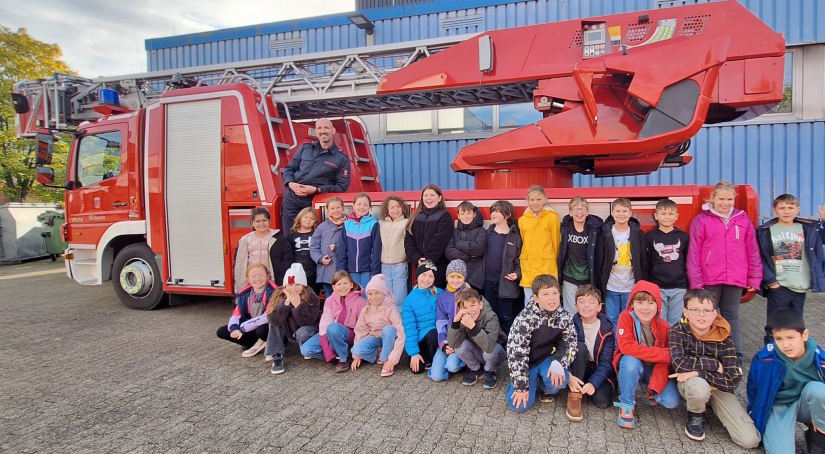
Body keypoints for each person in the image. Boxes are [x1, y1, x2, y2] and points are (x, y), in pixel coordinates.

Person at [668, 289, 760, 447]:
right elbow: (680, 365)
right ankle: (695, 418)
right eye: (695, 310)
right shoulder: (677, 331)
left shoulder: (724, 335)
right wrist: (715, 364)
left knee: (750, 441)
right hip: (692, 385)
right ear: (685, 312)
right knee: (698, 387)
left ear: (714, 313)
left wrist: (698, 372)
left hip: (718, 387)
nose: (701, 315)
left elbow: (733, 379)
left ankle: (709, 402)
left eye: (706, 311)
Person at [688, 181, 761, 357]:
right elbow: (694, 252)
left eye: (729, 199)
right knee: (707, 315)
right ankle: (708, 353)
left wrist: (754, 278)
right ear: (713, 198)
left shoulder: (742, 220)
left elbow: (752, 250)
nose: (725, 203)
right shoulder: (702, 220)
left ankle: (735, 354)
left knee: (731, 315)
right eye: (721, 198)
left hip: (735, 277)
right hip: (709, 277)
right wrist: (696, 282)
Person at [747, 309, 825, 454]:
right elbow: (754, 392)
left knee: (820, 391)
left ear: (804, 335)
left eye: (791, 337)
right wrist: (755, 417)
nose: (785, 345)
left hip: (807, 403)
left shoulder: (820, 358)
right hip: (779, 406)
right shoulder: (764, 359)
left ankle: (819, 436)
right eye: (779, 339)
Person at [757, 195, 825, 344]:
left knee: (796, 324)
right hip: (779, 286)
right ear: (774, 210)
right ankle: (772, 354)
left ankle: (793, 353)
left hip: (800, 286)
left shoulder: (808, 228)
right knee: (775, 323)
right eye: (782, 208)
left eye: (790, 207)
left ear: (798, 209)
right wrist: (770, 280)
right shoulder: (765, 230)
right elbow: (760, 257)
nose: (786, 211)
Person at [612, 280, 679, 429]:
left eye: (650, 303)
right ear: (632, 304)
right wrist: (662, 353)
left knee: (671, 401)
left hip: (653, 370)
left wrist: (656, 384)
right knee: (630, 362)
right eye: (640, 302)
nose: (645, 308)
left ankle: (647, 389)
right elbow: (627, 348)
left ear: (658, 305)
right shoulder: (625, 317)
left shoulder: (665, 327)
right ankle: (626, 404)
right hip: (633, 364)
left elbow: (667, 361)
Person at [506, 275, 577, 413]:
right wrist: (521, 387)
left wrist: (559, 363)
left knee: (560, 380)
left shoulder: (565, 317)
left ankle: (545, 386)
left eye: (555, 293)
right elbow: (516, 354)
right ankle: (526, 382)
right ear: (536, 298)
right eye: (545, 294)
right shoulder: (525, 319)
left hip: (548, 360)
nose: (552, 298)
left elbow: (570, 344)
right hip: (528, 365)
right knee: (519, 406)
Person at [280, 118, 351, 230]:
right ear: (316, 131)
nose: (323, 131)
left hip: (314, 201)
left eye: (326, 128)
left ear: (333, 130)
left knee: (313, 237)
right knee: (290, 236)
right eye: (319, 128)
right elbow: (289, 169)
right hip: (291, 199)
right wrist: (290, 184)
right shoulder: (305, 148)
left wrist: (317, 190)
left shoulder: (341, 158)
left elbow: (342, 187)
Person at [299, 271, 367, 372]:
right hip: (332, 332)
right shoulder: (330, 300)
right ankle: (338, 357)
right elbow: (324, 325)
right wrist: (328, 353)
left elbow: (363, 328)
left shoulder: (360, 302)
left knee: (333, 328)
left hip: (351, 334)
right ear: (333, 287)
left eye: (345, 283)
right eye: (339, 284)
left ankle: (343, 360)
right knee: (306, 350)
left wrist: (359, 349)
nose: (342, 287)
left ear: (351, 284)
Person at [566, 284, 615, 422]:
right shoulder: (570, 324)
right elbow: (564, 352)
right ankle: (574, 393)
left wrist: (593, 383)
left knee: (602, 401)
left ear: (599, 307)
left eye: (591, 302)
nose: (586, 306)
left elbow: (606, 363)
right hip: (577, 366)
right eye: (582, 301)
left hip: (597, 368)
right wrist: (568, 374)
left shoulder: (607, 328)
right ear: (576, 306)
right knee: (580, 348)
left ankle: (586, 386)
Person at [595, 198, 646, 329]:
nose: (621, 214)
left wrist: (642, 284)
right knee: (612, 319)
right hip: (611, 286)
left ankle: (627, 348)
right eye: (618, 210)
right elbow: (599, 260)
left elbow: (643, 260)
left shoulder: (638, 234)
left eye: (625, 210)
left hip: (630, 286)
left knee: (629, 318)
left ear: (630, 213)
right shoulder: (605, 234)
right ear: (612, 213)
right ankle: (615, 348)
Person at [265, 263, 322, 375]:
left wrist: (297, 305)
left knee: (303, 332)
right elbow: (273, 320)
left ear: (304, 285)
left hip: (306, 329)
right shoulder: (278, 295)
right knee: (275, 322)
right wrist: (285, 304)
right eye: (290, 285)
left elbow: (308, 322)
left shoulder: (312, 297)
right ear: (285, 286)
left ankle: (305, 347)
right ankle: (277, 355)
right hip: (289, 330)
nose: (293, 288)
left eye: (297, 284)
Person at [643, 198, 690, 327]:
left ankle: (675, 345)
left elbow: (688, 261)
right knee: (660, 321)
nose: (667, 217)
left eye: (670, 213)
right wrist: (647, 284)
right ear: (656, 216)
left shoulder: (683, 237)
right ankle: (661, 346)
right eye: (663, 214)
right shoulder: (650, 236)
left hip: (679, 287)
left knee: (676, 322)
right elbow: (646, 262)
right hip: (657, 286)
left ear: (676, 216)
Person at [448, 287, 507, 389]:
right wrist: (456, 322)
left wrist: (473, 327)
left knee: (490, 351)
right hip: (478, 352)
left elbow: (489, 346)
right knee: (459, 346)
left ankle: (490, 371)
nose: (470, 310)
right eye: (465, 307)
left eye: (473, 305)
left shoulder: (490, 316)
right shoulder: (464, 317)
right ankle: (475, 369)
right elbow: (453, 344)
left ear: (480, 305)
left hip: (495, 352)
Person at [217, 263, 278, 357]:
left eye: (261, 275)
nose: (257, 279)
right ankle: (253, 343)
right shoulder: (244, 294)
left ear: (267, 276)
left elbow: (267, 316)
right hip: (250, 327)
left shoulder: (274, 292)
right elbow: (236, 314)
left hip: (268, 327)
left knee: (262, 329)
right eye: (253, 276)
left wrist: (243, 328)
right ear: (248, 279)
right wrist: (234, 329)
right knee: (222, 331)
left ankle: (271, 343)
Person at [351, 274, 405, 377]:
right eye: (370, 294)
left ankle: (386, 358)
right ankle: (378, 353)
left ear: (384, 294)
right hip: (375, 336)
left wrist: (392, 360)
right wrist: (357, 356)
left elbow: (401, 334)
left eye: (377, 293)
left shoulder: (391, 309)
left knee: (388, 329)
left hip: (390, 337)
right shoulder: (365, 310)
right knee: (356, 349)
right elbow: (360, 330)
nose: (373, 297)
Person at [482, 200, 522, 334]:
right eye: (492, 211)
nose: (493, 214)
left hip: (507, 283)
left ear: (507, 214)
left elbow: (520, 259)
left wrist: (517, 274)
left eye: (497, 211)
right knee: (490, 316)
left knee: (506, 316)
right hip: (488, 283)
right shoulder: (486, 234)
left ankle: (508, 348)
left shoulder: (516, 236)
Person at [557, 197, 602, 314]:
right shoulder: (564, 228)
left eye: (582, 209)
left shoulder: (594, 230)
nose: (579, 212)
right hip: (569, 277)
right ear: (570, 212)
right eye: (576, 209)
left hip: (587, 278)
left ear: (587, 212)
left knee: (587, 310)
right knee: (570, 311)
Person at [405, 184, 454, 289]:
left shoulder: (445, 216)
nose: (428, 198)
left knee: (435, 295)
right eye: (426, 195)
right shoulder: (416, 216)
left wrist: (426, 262)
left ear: (439, 198)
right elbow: (409, 241)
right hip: (418, 265)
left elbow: (439, 242)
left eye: (432, 195)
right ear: (422, 198)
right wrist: (416, 258)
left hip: (437, 266)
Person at [429, 259, 470, 382]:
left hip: (462, 341)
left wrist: (457, 343)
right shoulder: (442, 297)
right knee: (436, 376)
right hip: (447, 340)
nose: (455, 280)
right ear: (447, 278)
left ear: (464, 278)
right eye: (452, 276)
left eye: (459, 277)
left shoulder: (469, 295)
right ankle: (447, 365)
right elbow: (440, 323)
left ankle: (463, 363)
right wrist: (444, 344)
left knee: (452, 366)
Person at [518, 185, 561, 304]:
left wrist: (550, 256)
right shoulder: (522, 220)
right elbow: (524, 240)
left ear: (545, 200)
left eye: (538, 199)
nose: (535, 202)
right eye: (532, 200)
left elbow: (556, 241)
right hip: (529, 266)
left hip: (547, 265)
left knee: (549, 300)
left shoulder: (552, 217)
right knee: (529, 301)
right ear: (528, 201)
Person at [233, 207, 287, 293]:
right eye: (258, 221)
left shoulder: (279, 238)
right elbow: (239, 262)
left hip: (272, 280)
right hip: (252, 281)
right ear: (252, 223)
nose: (261, 224)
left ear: (269, 221)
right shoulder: (245, 240)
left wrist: (280, 277)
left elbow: (287, 259)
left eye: (264, 220)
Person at [402, 260, 442, 374]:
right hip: (420, 339)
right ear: (418, 276)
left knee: (433, 334)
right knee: (417, 369)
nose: (427, 279)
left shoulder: (439, 293)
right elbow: (410, 328)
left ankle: (436, 359)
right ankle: (423, 355)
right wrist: (414, 353)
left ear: (434, 279)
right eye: (424, 275)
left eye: (431, 276)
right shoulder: (409, 300)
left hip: (436, 337)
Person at [338, 192, 382, 290]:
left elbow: (376, 250)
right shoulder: (347, 224)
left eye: (365, 205)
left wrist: (375, 271)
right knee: (353, 296)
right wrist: (341, 271)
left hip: (367, 269)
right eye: (359, 204)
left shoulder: (374, 224)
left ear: (370, 207)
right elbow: (342, 249)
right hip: (351, 269)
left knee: (367, 295)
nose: (362, 207)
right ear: (353, 206)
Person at [445, 201, 486, 291]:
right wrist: (466, 256)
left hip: (476, 277)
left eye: (469, 213)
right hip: (457, 277)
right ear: (458, 216)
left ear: (474, 214)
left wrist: (458, 244)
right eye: (462, 214)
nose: (466, 216)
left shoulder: (481, 231)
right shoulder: (455, 232)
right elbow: (448, 251)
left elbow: (479, 249)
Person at [378, 195, 411, 308]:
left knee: (399, 298)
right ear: (387, 209)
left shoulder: (406, 223)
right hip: (385, 265)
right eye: (392, 207)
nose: (395, 209)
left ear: (403, 208)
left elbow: (409, 243)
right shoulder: (381, 223)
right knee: (386, 297)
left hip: (399, 265)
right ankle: (388, 323)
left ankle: (400, 323)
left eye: (398, 206)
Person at [310, 196, 345, 297]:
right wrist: (320, 258)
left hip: (343, 270)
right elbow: (314, 247)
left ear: (343, 208)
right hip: (327, 271)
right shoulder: (322, 227)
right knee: (330, 299)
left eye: (338, 208)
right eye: (332, 208)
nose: (335, 210)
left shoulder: (349, 225)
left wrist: (337, 248)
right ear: (328, 210)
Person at [288, 207, 321, 294]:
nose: (308, 220)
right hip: (297, 270)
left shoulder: (317, 234)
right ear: (300, 218)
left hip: (314, 272)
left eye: (312, 218)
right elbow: (289, 254)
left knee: (312, 295)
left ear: (315, 222)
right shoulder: (291, 235)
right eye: (306, 217)